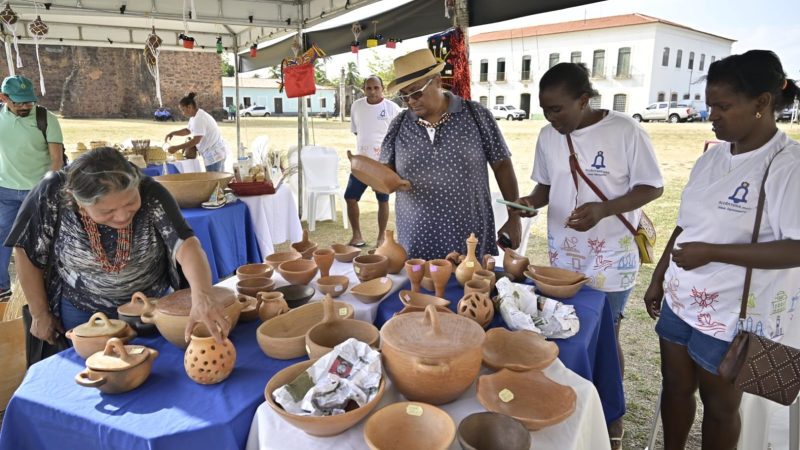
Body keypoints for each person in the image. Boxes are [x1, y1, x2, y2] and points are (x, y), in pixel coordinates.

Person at [643, 50, 800, 449]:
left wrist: (713, 252)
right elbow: (685, 223)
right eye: (709, 105)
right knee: (675, 387)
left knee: (720, 407)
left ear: (762, 103)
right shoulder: (712, 157)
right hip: (681, 300)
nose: (712, 114)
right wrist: (660, 276)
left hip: (733, 315)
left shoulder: (786, 165)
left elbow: (796, 247)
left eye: (724, 106)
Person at [513, 62, 663, 449]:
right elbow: (545, 186)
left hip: (611, 254)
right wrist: (530, 203)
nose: (550, 117)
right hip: (565, 252)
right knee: (566, 328)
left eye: (557, 109)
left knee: (607, 332)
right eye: (544, 109)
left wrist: (604, 209)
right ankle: (576, 403)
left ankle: (611, 413)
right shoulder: (548, 136)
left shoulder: (624, 130)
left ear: (583, 100)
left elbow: (652, 187)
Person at [5, 147, 230, 348]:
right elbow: (26, 252)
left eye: (131, 203)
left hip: (149, 308)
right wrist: (39, 313)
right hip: (82, 312)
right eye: (107, 212)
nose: (122, 216)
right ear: (77, 199)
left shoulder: (151, 191)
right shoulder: (52, 193)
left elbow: (186, 246)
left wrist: (202, 295)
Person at [380, 48, 521, 260]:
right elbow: (385, 173)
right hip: (417, 239)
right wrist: (383, 179)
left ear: (437, 81)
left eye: (416, 92)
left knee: (471, 289)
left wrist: (515, 216)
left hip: (469, 237)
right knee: (421, 289)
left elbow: (502, 165)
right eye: (404, 95)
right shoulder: (399, 125)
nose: (410, 101)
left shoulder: (476, 115)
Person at [0, 75, 64, 300]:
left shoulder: (46, 118)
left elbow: (56, 159)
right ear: (4, 98)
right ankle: (2, 288)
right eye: (20, 102)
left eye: (30, 101)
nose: (27, 106)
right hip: (4, 190)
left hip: (38, 191)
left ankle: (50, 288)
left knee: (44, 240)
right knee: (2, 236)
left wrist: (47, 189)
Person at [347, 75, 401, 247]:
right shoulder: (357, 106)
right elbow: (357, 131)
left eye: (376, 88)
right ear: (364, 89)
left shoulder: (392, 108)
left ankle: (381, 238)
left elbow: (397, 136)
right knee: (350, 198)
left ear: (382, 88)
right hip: (361, 163)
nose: (373, 91)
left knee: (382, 200)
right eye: (369, 88)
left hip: (382, 164)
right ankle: (357, 236)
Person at [165, 92, 228, 172]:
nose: (183, 113)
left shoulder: (199, 119)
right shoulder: (195, 116)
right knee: (217, 181)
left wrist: (177, 148)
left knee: (214, 182)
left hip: (214, 155)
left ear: (190, 107)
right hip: (214, 153)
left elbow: (196, 140)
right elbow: (188, 130)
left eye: (183, 110)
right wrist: (173, 133)